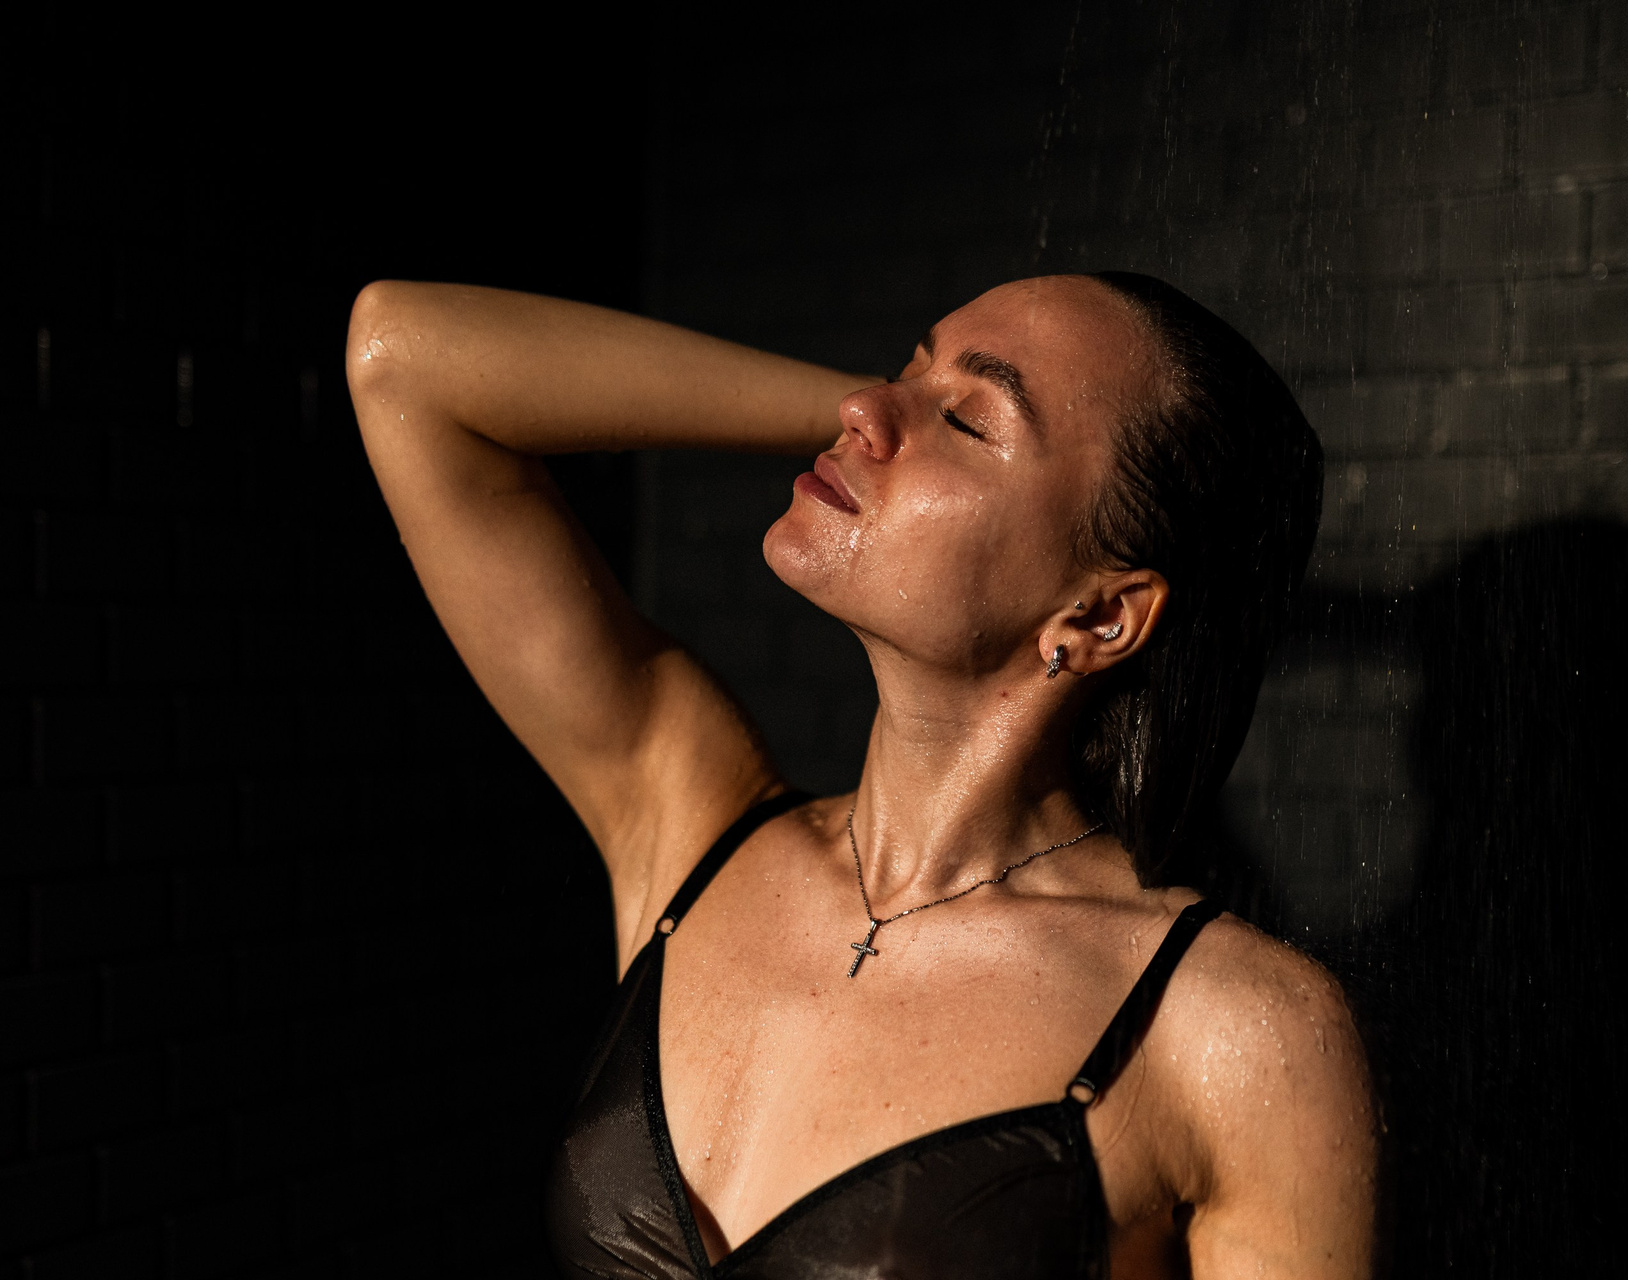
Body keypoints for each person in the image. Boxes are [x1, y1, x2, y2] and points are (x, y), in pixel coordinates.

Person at [345, 271, 1375, 1278]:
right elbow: (404, 354)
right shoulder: (691, 823)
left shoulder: (1235, 1028)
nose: (863, 407)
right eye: (905, 368)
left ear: (1100, 615)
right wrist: (883, 419)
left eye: (968, 420)